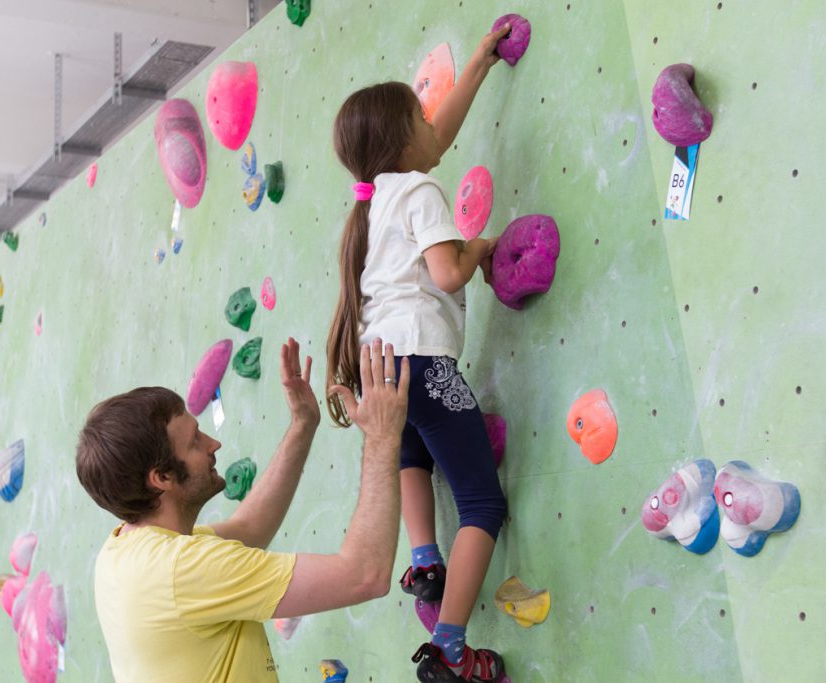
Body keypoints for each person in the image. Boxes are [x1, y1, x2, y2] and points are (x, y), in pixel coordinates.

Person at [325, 25, 511, 683]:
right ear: (406, 141)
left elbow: (439, 138)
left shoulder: (370, 209)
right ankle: (452, 649)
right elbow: (448, 272)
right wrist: (482, 246)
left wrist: (481, 66)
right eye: (422, 118)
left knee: (411, 452)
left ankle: (425, 558)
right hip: (429, 368)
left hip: (384, 378)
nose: (435, 126)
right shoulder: (421, 193)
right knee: (483, 505)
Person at [75, 337, 409, 683]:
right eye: (194, 442)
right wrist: (383, 436)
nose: (213, 444)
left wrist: (302, 424)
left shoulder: (125, 553)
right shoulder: (183, 569)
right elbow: (364, 576)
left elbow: (249, 528)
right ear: (161, 478)